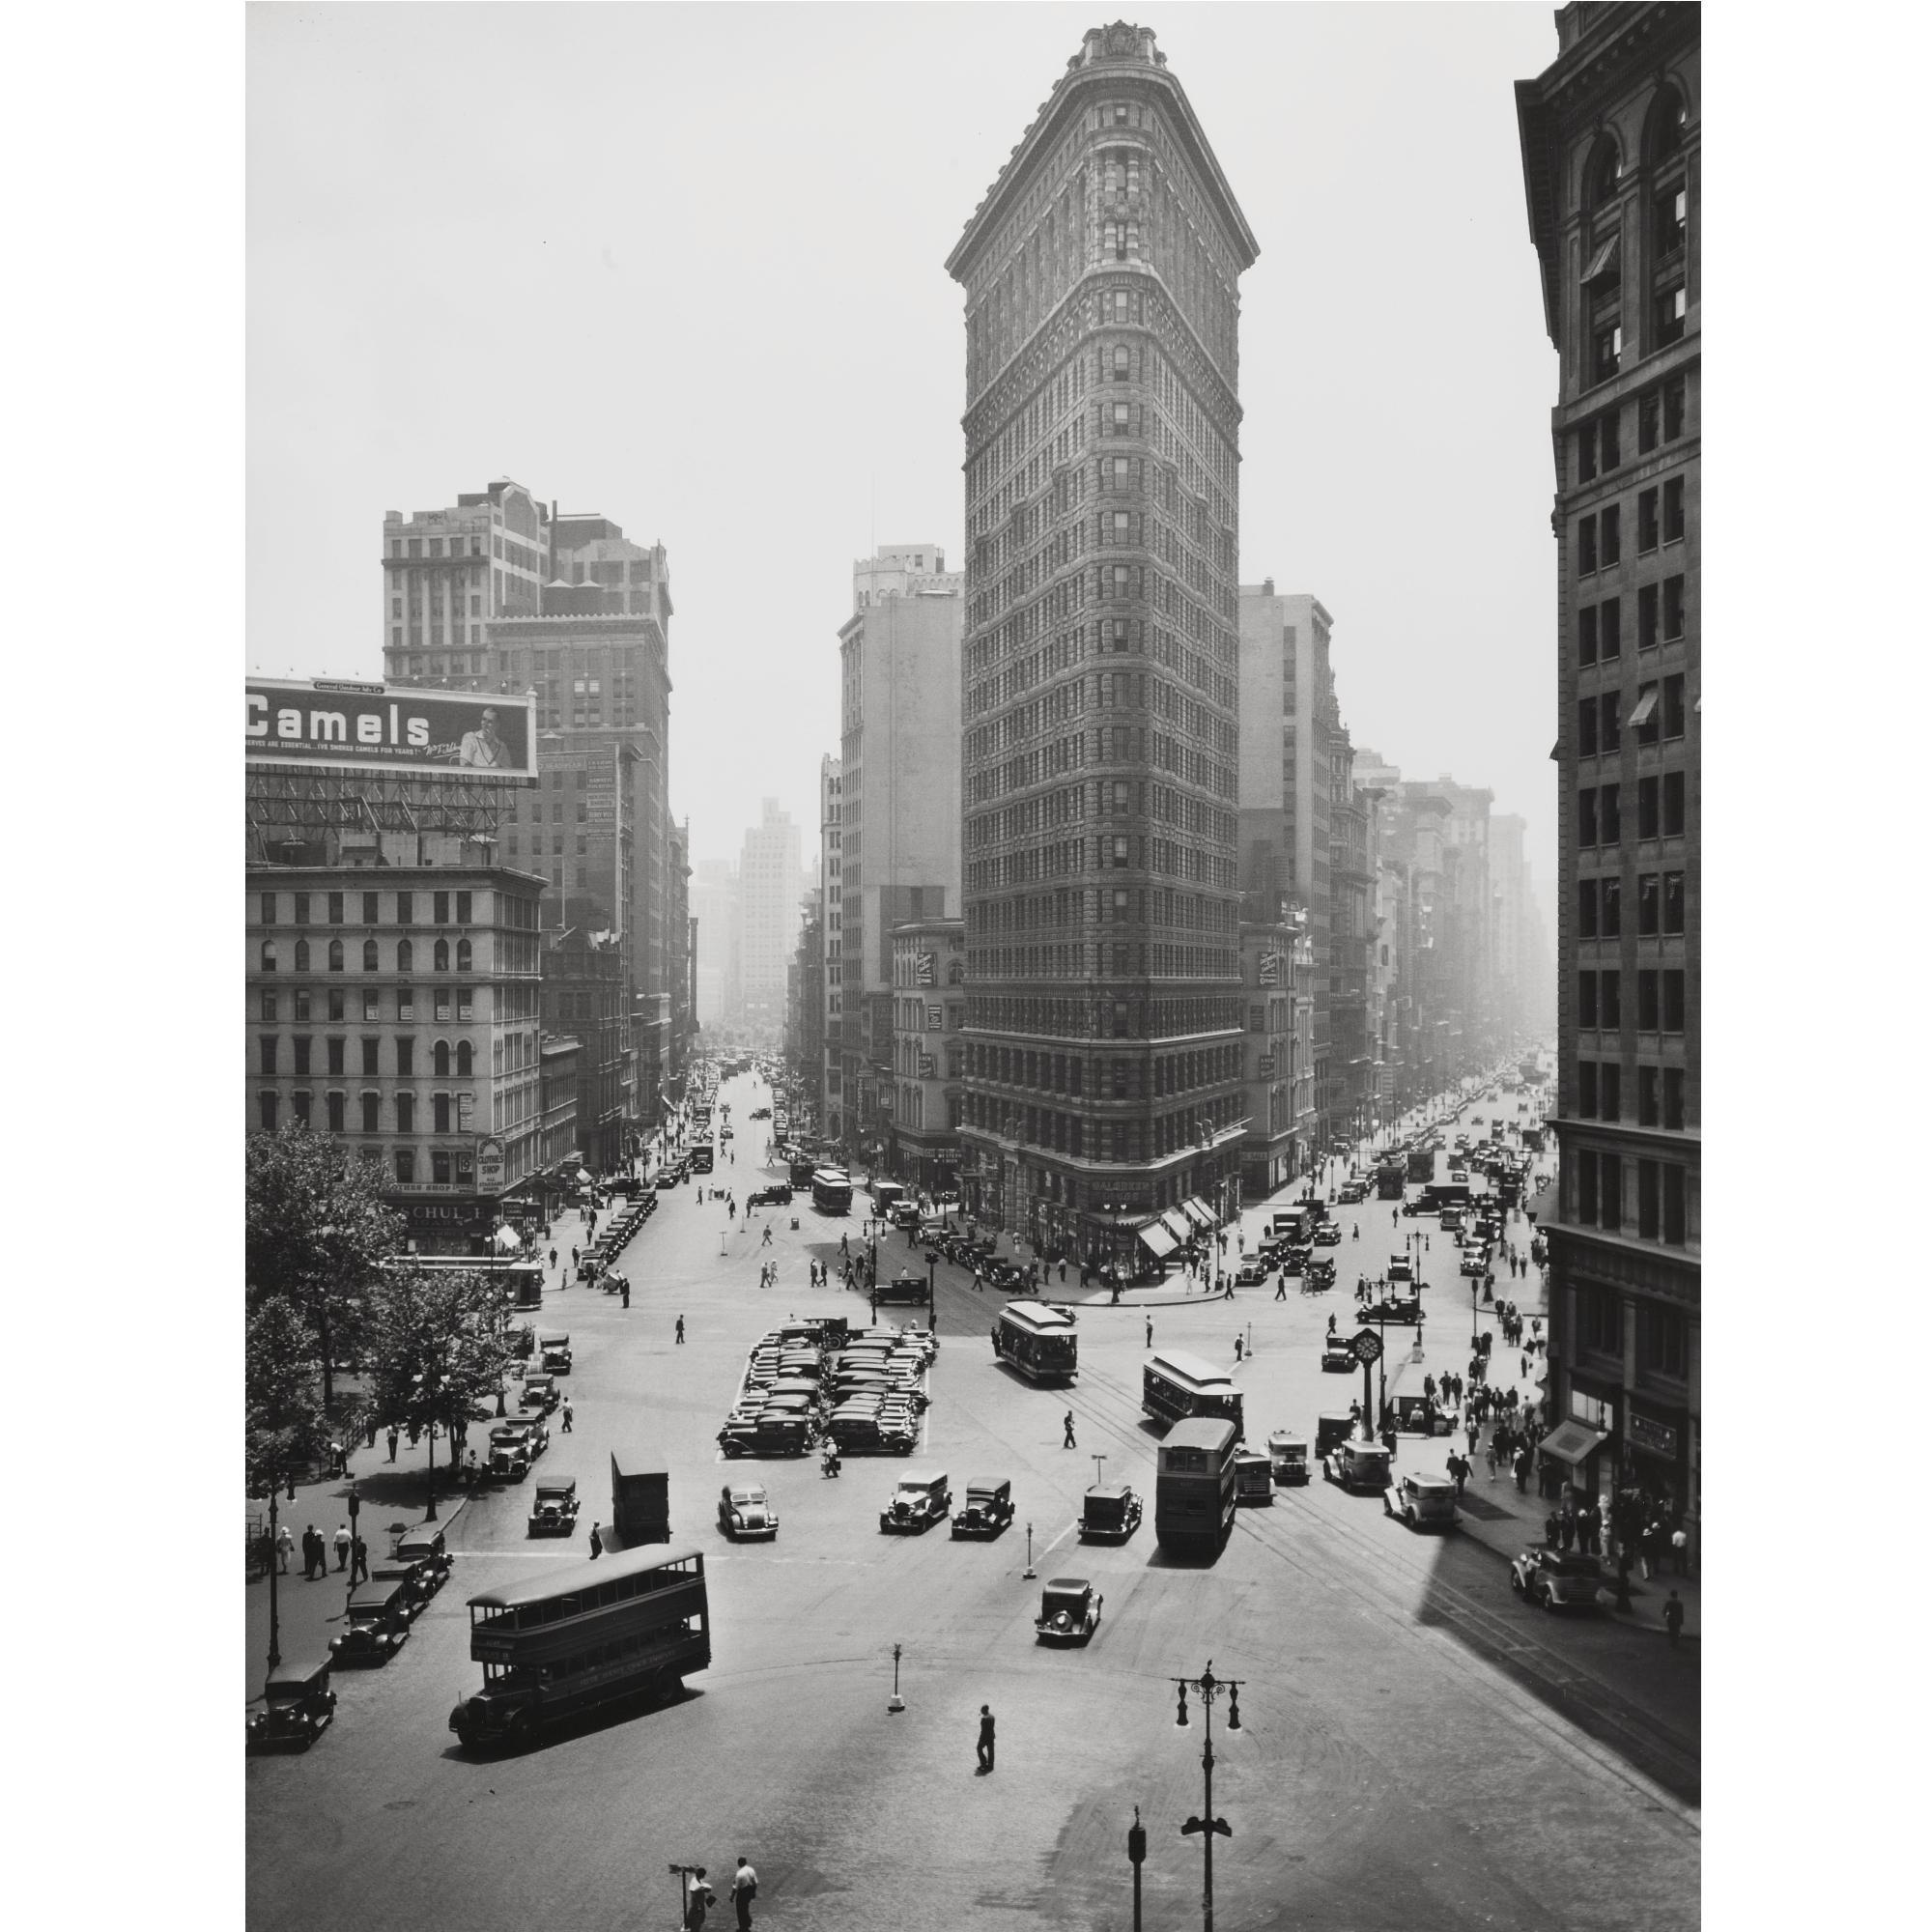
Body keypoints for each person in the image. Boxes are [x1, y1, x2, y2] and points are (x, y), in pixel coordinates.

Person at [729, 1858, 758, 1931]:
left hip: (742, 1892)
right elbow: (755, 1882)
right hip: (750, 1890)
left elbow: (735, 1887)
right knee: (745, 1906)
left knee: (740, 1909)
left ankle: (743, 1926)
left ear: (739, 1864)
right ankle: (747, 1922)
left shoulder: (739, 1874)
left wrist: (732, 1897)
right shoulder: (751, 1870)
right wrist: (754, 1892)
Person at [977, 1704, 997, 1772]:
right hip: (991, 1736)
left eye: (981, 1709)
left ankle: (983, 1763)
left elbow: (983, 1731)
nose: (981, 1711)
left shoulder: (984, 1719)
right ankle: (991, 1766)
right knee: (991, 1751)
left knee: (979, 1748)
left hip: (985, 1738)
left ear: (984, 1710)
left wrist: (981, 1739)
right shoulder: (992, 1717)